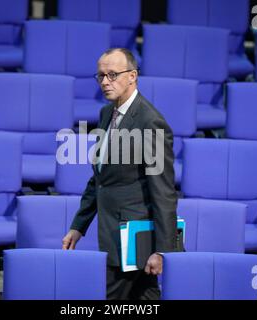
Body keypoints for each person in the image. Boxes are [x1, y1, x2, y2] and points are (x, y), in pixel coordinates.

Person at [62, 48, 178, 300]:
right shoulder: (106, 114)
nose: (105, 82)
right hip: (115, 235)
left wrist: (163, 251)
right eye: (101, 76)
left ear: (132, 76)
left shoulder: (151, 122)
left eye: (112, 75)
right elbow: (100, 179)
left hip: (132, 241)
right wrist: (78, 226)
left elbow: (164, 192)